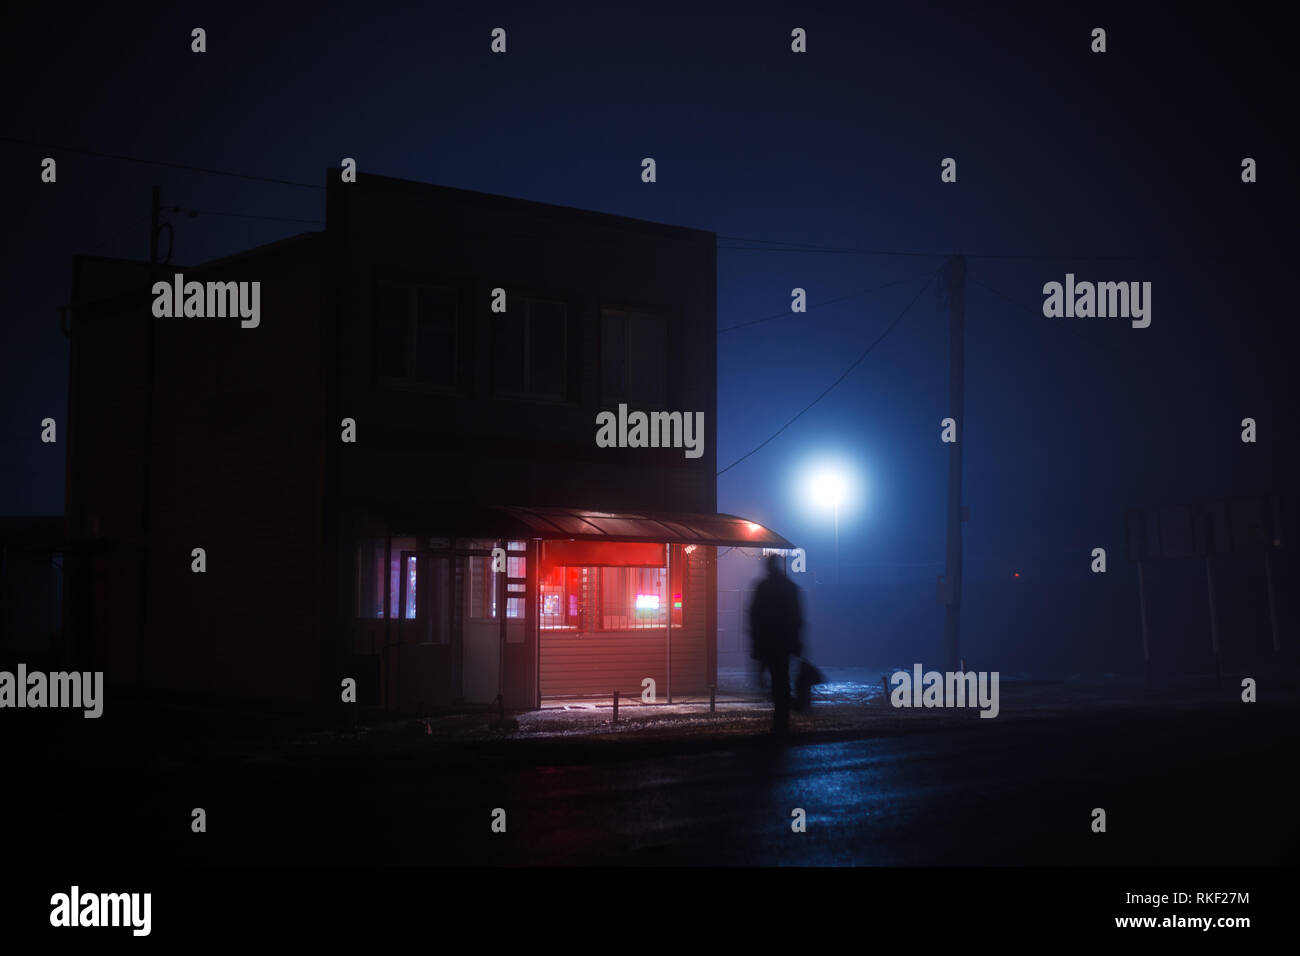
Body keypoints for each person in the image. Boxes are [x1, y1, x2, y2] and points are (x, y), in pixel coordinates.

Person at [747, 554, 803, 734]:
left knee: (768, 681)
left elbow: (754, 617)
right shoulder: (789, 587)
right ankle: (783, 718)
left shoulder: (762, 587)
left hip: (766, 643)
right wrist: (796, 643)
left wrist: (755, 643)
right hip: (783, 644)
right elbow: (796, 618)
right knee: (782, 680)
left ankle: (781, 717)